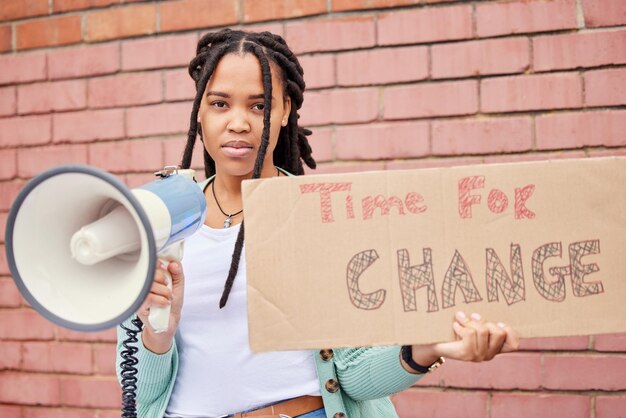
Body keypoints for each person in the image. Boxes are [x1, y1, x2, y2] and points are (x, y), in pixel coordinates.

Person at [116, 28, 519, 418]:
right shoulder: (157, 219)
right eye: (220, 103)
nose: (239, 122)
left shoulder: (320, 216)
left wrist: (428, 347)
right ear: (199, 111)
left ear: (286, 109)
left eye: (259, 106)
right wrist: (157, 336)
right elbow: (140, 393)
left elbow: (353, 376)